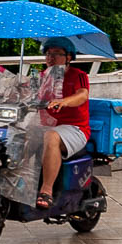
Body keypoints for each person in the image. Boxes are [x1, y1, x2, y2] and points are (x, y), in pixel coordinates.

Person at [29, 37, 91, 210]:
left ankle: (46, 190)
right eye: (48, 54)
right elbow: (27, 94)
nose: (51, 58)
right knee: (16, 136)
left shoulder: (78, 75)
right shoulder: (40, 77)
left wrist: (64, 101)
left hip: (75, 129)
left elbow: (82, 95)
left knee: (51, 136)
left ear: (69, 57)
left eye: (57, 54)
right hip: (48, 126)